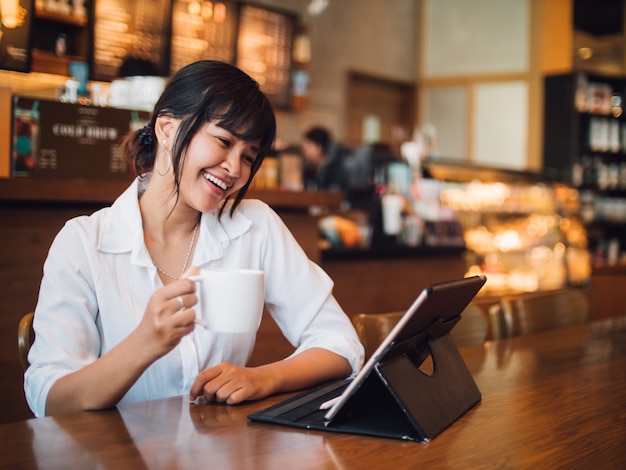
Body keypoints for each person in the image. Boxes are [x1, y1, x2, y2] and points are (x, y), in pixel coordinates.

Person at [24, 60, 364, 418]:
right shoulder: (83, 244)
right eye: (223, 141)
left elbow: (340, 344)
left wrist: (263, 379)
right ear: (167, 128)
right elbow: (49, 398)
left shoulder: (255, 226)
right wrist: (143, 344)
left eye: (248, 156)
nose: (235, 169)